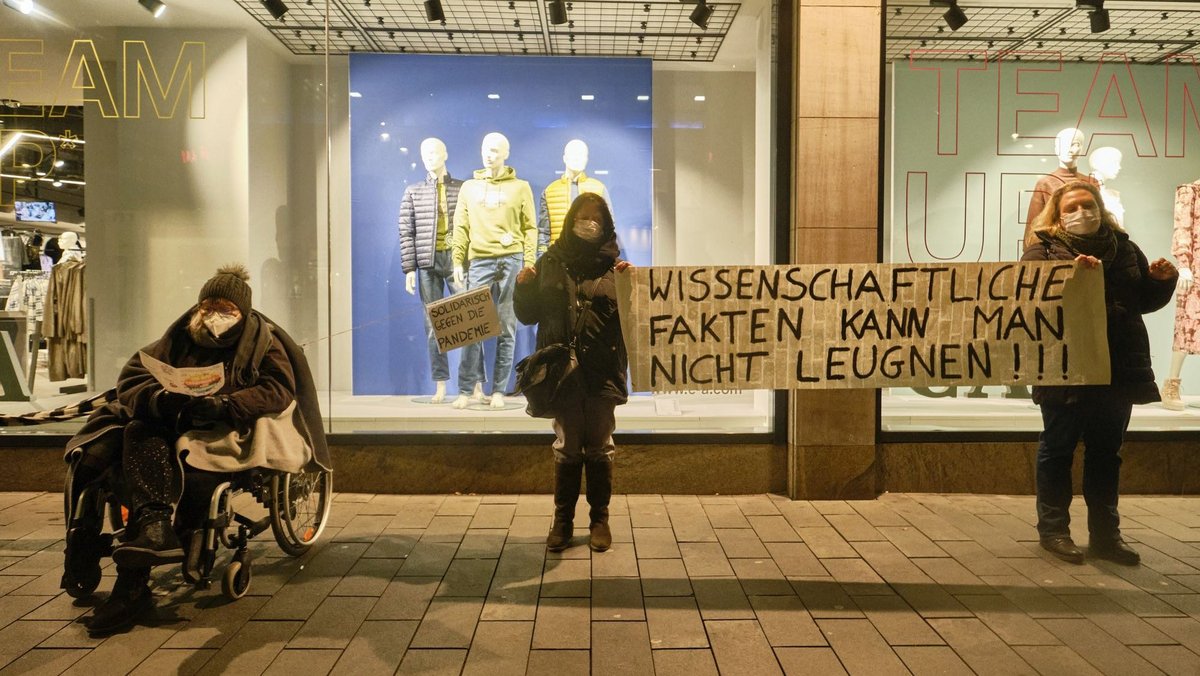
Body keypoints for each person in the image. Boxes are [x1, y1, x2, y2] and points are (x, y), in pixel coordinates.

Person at [64, 264, 329, 635]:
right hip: (173, 419)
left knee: (192, 476)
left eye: (226, 309)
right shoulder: (179, 337)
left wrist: (226, 404)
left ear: (243, 313)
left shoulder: (263, 341)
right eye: (209, 306)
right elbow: (136, 374)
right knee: (122, 439)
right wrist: (161, 398)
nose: (215, 316)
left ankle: (130, 587)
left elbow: (277, 389)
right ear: (199, 306)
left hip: (224, 426)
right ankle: (150, 527)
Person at [1022, 182, 1178, 566]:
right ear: (1058, 215)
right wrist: (1073, 280)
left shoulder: (1124, 248)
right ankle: (1054, 531)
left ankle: (1107, 536)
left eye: (1088, 205)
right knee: (1058, 449)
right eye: (1072, 207)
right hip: (1065, 368)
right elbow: (1031, 302)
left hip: (1117, 367)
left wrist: (1161, 282)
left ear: (1100, 208)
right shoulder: (1041, 251)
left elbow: (1142, 301)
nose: (1082, 212)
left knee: (1107, 454)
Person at [514, 193, 630, 553]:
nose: (589, 223)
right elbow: (528, 316)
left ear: (606, 225)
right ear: (571, 220)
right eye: (582, 216)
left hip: (602, 372)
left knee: (599, 447)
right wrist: (522, 289)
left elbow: (632, 320)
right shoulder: (549, 262)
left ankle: (600, 520)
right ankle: (562, 521)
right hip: (561, 374)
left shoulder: (618, 269)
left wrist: (634, 287)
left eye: (596, 217)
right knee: (566, 448)